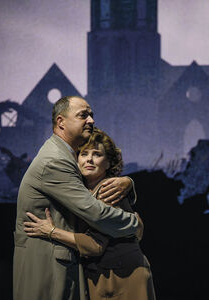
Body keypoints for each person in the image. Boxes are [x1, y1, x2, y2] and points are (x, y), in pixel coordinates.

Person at [13, 96, 141, 300]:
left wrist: (128, 182)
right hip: (49, 265)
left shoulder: (64, 156)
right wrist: (134, 223)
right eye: (83, 115)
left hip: (108, 271)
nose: (90, 120)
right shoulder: (56, 161)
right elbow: (95, 213)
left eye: (91, 115)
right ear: (61, 122)